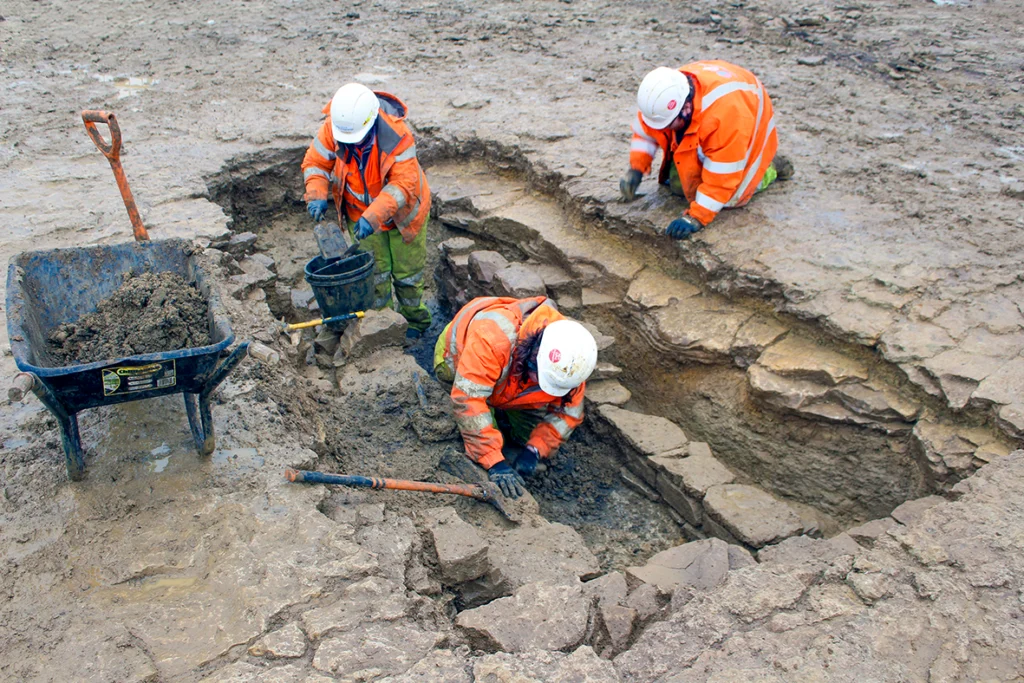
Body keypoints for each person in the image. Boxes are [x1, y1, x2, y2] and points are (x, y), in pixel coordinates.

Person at [433, 296, 598, 499]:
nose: (544, 387)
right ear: (533, 353)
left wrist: (536, 449)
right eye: (542, 379)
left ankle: (508, 423)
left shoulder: (570, 364)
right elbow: (468, 399)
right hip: (460, 354)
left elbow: (568, 413)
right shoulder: (492, 338)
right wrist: (494, 462)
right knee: (477, 423)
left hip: (511, 379)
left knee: (524, 435)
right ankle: (494, 432)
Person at [302, 83, 432, 337]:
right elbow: (315, 163)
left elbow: (402, 186)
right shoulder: (335, 127)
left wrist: (372, 216)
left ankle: (416, 323)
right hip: (358, 213)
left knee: (408, 276)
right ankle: (385, 325)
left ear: (371, 123)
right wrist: (316, 194)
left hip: (403, 218)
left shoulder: (398, 136)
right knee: (376, 276)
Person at [620, 62, 791, 239]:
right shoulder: (661, 98)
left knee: (731, 197)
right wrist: (637, 168)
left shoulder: (726, 120)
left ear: (685, 109)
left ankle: (768, 168)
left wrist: (696, 217)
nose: (663, 128)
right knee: (680, 186)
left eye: (668, 125)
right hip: (716, 113)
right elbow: (646, 132)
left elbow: (722, 178)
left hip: (746, 119)